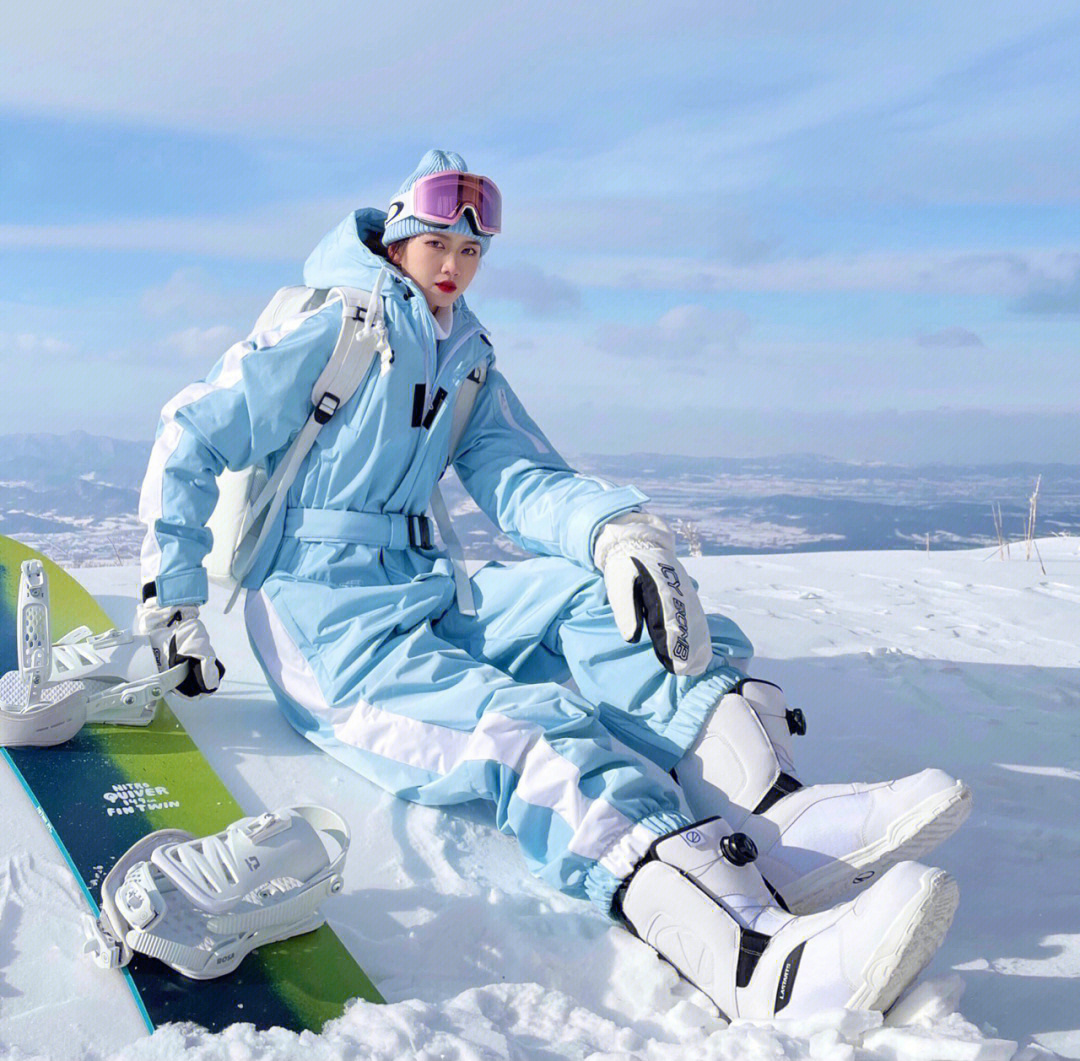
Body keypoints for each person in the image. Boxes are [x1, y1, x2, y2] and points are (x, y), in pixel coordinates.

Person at [134, 149, 971, 1020]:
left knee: (599, 598)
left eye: (472, 253)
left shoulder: (464, 352)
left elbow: (518, 474)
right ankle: (760, 959)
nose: (455, 268)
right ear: (399, 238)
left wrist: (614, 535)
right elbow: (194, 432)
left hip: (427, 585)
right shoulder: (331, 326)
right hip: (326, 622)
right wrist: (172, 597)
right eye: (438, 249)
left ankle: (777, 818)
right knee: (529, 731)